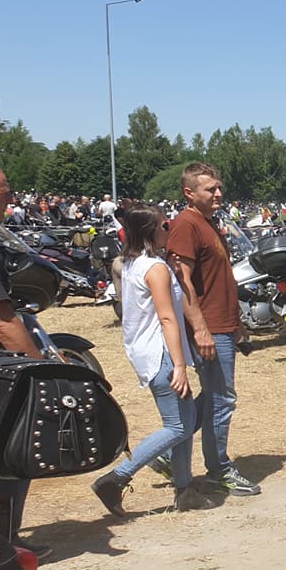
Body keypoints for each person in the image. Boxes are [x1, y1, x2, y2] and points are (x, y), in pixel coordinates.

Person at [91, 203, 206, 514]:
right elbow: (167, 318)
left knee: (185, 421)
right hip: (161, 353)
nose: (169, 229)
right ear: (150, 231)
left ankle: (185, 489)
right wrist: (179, 365)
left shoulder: (135, 263)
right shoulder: (154, 269)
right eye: (165, 226)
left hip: (149, 351)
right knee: (178, 426)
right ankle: (115, 479)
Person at [161, 163, 260, 497]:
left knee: (214, 397)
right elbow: (182, 282)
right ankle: (218, 469)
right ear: (189, 193)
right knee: (221, 399)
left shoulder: (208, 223)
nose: (218, 194)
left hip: (222, 324)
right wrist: (201, 329)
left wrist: (237, 322)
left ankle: (168, 450)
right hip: (210, 328)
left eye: (219, 188)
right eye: (210, 189)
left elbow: (218, 280)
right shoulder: (186, 225)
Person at [0, 164, 47, 558]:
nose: (10, 195)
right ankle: (1, 547)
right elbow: (0, 318)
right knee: (11, 454)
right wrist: (40, 369)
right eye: (4, 188)